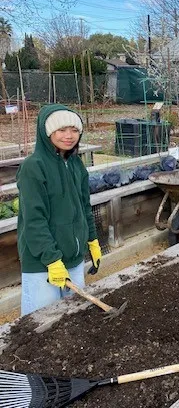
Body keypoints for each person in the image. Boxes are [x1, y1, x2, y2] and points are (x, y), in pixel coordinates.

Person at [16, 104, 102, 316]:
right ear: (48, 132)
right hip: (43, 264)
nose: (69, 136)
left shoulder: (75, 164)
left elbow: (84, 207)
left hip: (73, 259)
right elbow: (34, 221)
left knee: (71, 322)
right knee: (41, 324)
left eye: (74, 130)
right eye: (61, 130)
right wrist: (52, 260)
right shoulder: (33, 167)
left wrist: (92, 240)